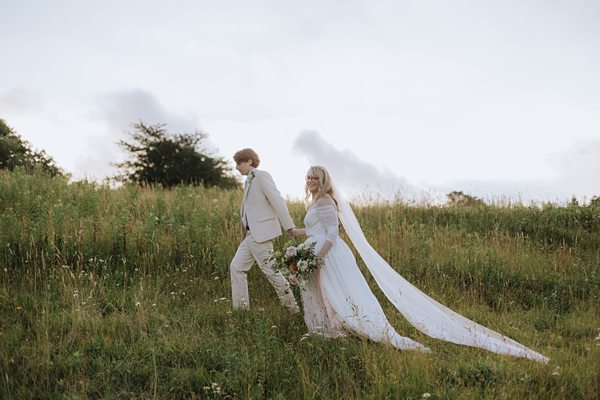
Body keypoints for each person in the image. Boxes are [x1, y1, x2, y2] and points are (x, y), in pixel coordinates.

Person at [293, 165, 549, 362]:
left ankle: (352, 327)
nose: (311, 181)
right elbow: (317, 230)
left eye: (315, 177)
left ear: (323, 180)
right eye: (308, 177)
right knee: (320, 292)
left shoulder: (326, 201)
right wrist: (299, 234)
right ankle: (326, 328)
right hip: (317, 250)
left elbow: (332, 234)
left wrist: (317, 257)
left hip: (329, 255)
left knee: (337, 292)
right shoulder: (315, 202)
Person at [229, 148, 300, 313]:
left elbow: (277, 201)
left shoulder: (261, 176)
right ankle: (241, 310)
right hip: (250, 236)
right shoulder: (248, 181)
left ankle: (293, 310)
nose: (237, 167)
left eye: (239, 163)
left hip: (260, 235)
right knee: (236, 267)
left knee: (272, 273)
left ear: (249, 162)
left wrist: (289, 226)